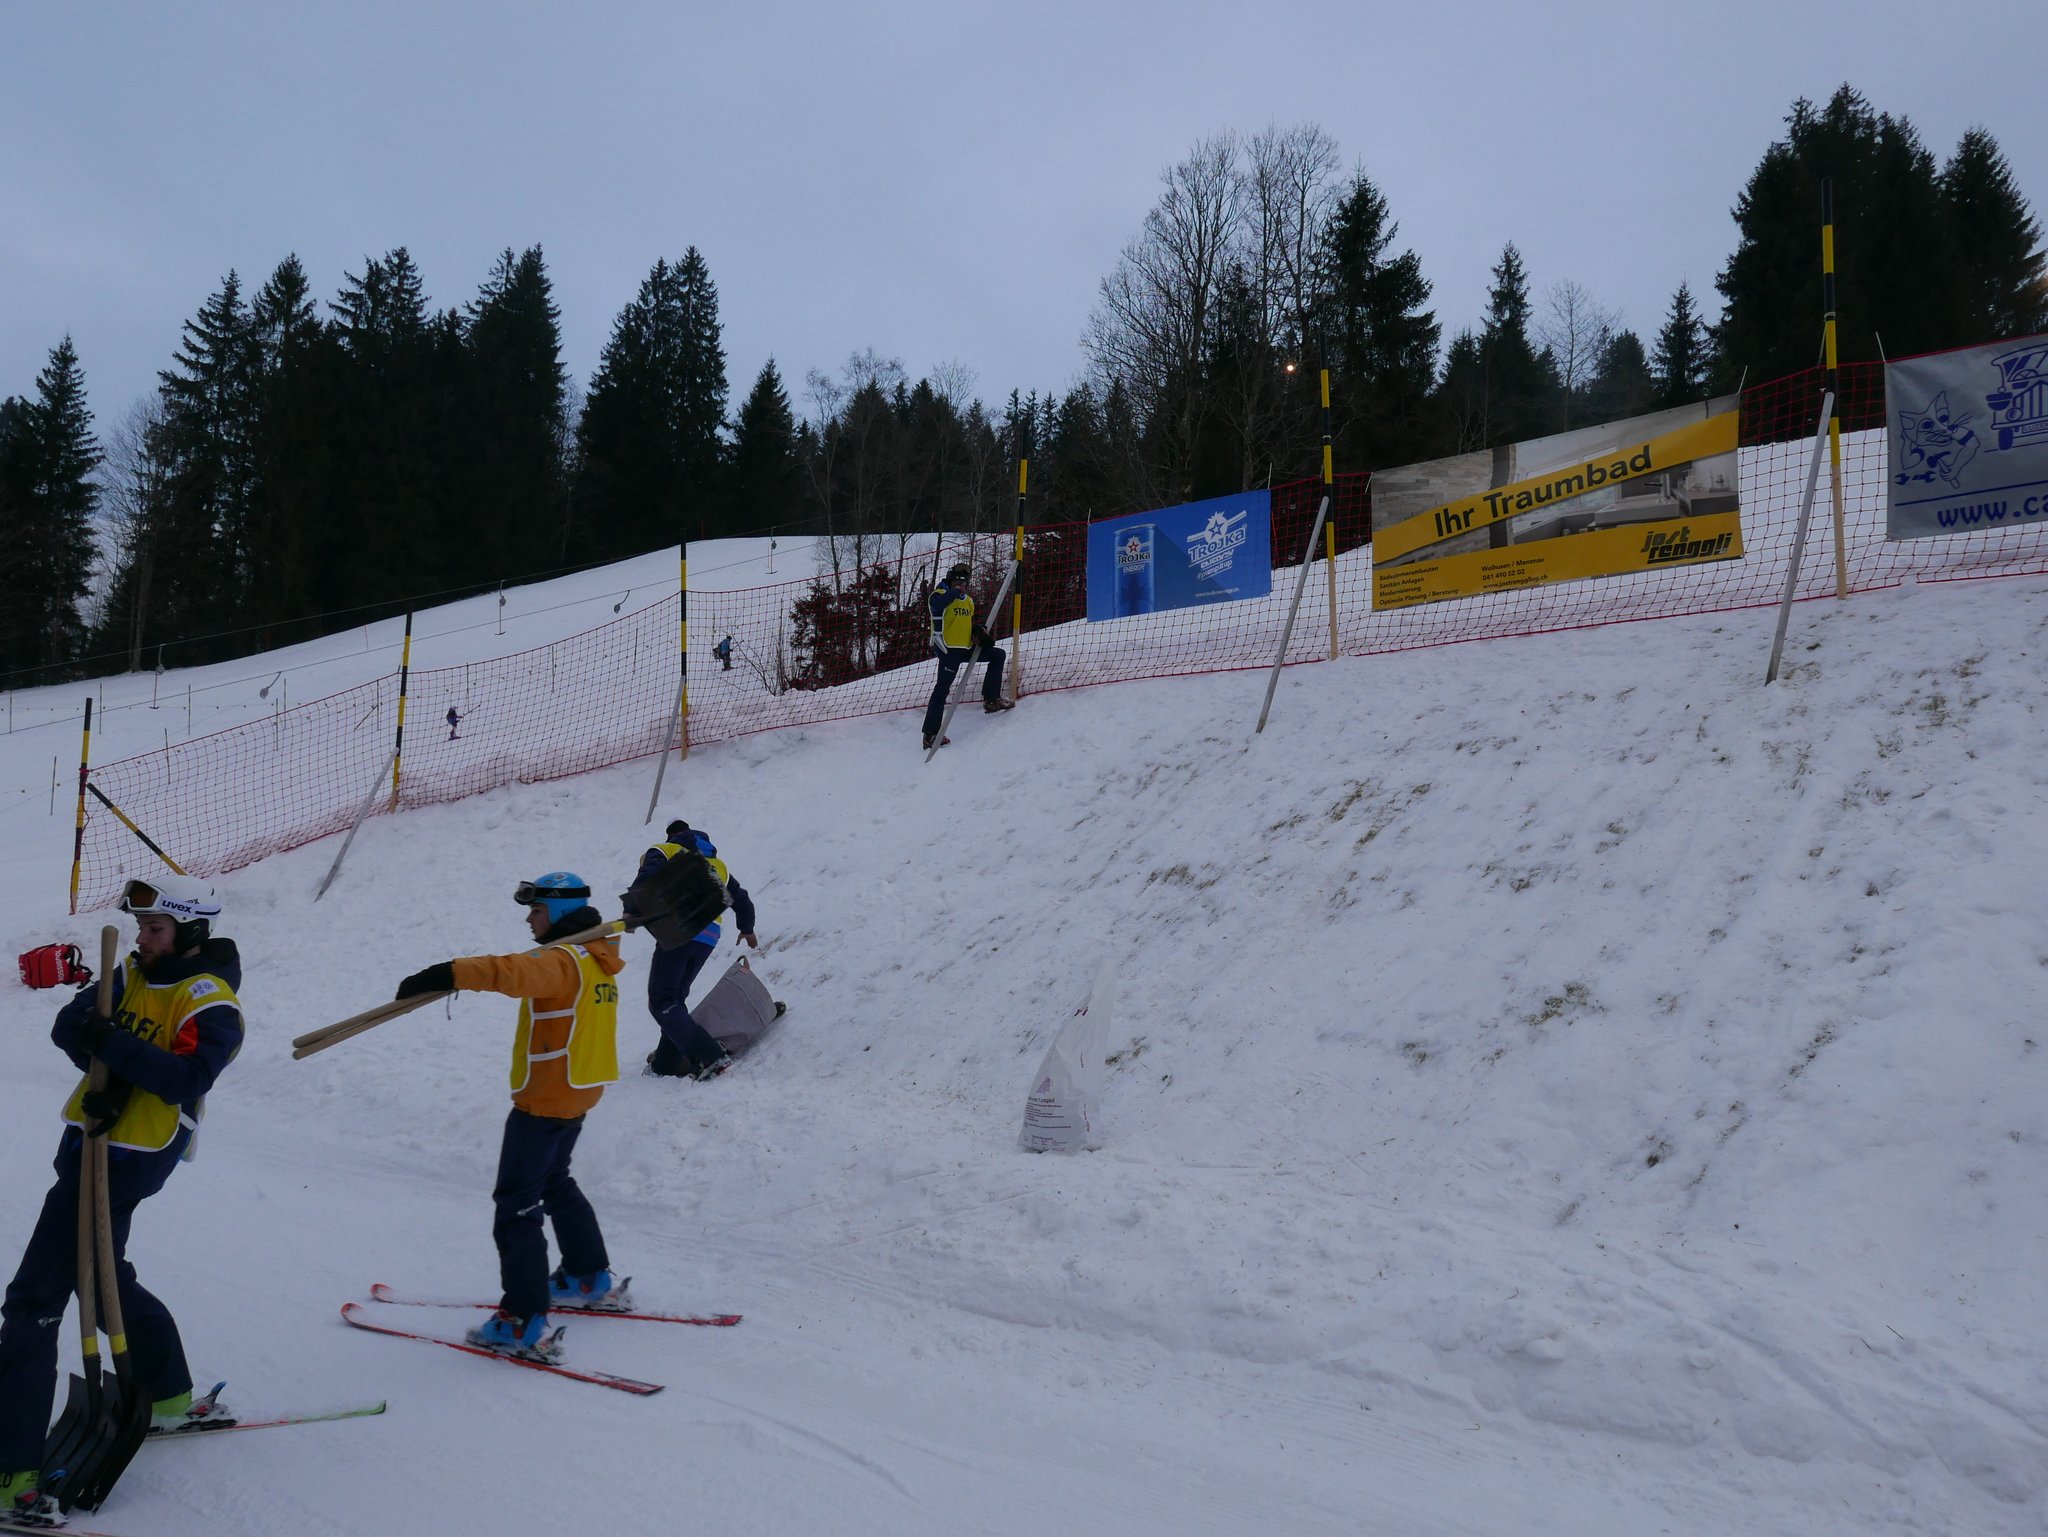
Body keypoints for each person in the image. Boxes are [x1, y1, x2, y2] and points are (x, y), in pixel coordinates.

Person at [1, 877, 244, 1526]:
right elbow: (68, 1025)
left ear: (191, 932)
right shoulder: (132, 970)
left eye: (156, 928)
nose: (143, 938)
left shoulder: (209, 1000)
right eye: (141, 926)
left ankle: (11, 1472)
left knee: (33, 1301)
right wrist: (102, 1060)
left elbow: (188, 1076)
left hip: (132, 1155)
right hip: (89, 1136)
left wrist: (111, 1048)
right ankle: (167, 1394)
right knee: (104, 1271)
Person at [393, 873, 630, 1361]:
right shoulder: (594, 957)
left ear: (559, 913)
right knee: (555, 1182)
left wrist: (449, 972)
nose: (529, 919)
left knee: (516, 1205)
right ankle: (587, 1276)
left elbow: (510, 971)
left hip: (545, 1101)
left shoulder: (562, 961)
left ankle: (523, 1320)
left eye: (536, 910)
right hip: (578, 1091)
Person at [630, 821, 756, 1081]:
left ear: (672, 836)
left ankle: (711, 1056)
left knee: (663, 1001)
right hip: (707, 937)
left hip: (679, 928)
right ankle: (664, 1064)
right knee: (674, 999)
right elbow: (741, 899)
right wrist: (747, 928)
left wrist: (632, 909)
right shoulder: (717, 865)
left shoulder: (665, 850)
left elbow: (647, 875)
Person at [922, 562, 1012, 751]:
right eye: (957, 581)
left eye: (964, 582)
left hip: (965, 648)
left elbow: (963, 623)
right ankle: (930, 734)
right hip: (948, 651)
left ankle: (991, 700)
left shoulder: (968, 601)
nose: (961, 585)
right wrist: (954, 591)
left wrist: (977, 631)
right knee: (942, 690)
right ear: (950, 579)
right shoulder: (939, 595)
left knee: (998, 655)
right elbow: (937, 606)